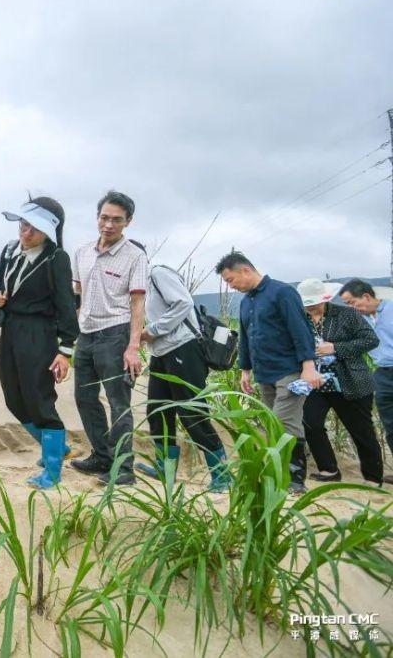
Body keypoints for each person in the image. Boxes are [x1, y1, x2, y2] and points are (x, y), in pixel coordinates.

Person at [215, 251, 321, 494]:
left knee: (284, 423)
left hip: (289, 371)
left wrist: (308, 366)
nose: (231, 286)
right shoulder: (246, 302)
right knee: (271, 423)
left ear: (245, 270)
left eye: (231, 280)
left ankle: (294, 479)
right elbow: (245, 337)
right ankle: (278, 472)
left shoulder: (282, 292)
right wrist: (245, 370)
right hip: (264, 374)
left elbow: (300, 329)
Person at [0, 196, 79, 489]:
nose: (25, 233)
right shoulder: (8, 250)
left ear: (48, 232)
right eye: (24, 224)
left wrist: (65, 350)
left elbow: (66, 306)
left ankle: (52, 471)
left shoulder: (56, 258)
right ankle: (57, 447)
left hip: (39, 332)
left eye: (34, 229)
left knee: (39, 398)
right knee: (13, 397)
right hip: (10, 329)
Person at [70, 191, 148, 486]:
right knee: (84, 397)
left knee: (118, 402)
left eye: (117, 220)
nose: (109, 225)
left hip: (116, 334)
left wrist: (133, 346)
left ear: (128, 222)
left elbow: (137, 303)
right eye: (104, 217)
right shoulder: (83, 252)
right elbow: (77, 292)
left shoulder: (135, 256)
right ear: (97, 217)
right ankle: (101, 456)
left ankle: (124, 468)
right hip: (86, 334)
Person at [136, 264, 231, 492]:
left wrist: (153, 330)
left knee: (191, 413)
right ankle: (164, 469)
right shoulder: (138, 285)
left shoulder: (157, 274)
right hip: (160, 352)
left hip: (183, 349)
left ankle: (222, 475)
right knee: (157, 410)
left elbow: (183, 303)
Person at [295, 279, 382, 484]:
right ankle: (329, 470)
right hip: (316, 384)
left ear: (325, 298)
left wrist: (336, 347)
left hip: (349, 382)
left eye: (314, 303)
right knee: (310, 423)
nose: (310, 308)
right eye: (307, 304)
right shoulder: (300, 319)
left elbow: (370, 340)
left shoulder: (346, 314)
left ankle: (373, 477)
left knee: (361, 431)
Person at [338, 278, 393, 484]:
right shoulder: (360, 320)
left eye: (352, 303)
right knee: (390, 425)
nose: (351, 308)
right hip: (382, 374)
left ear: (367, 296)